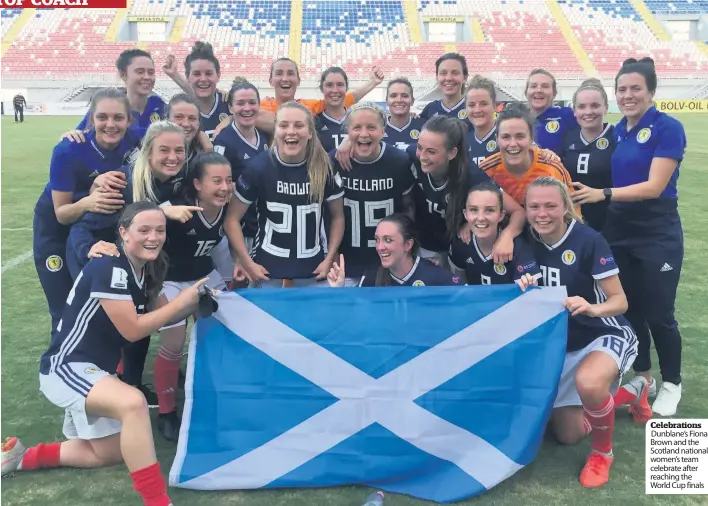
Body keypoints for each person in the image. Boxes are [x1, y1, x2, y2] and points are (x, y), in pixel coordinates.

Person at [1, 201, 210, 506]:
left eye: (160, 230)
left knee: (109, 452)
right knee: (133, 402)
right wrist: (182, 303)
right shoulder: (109, 267)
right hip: (66, 367)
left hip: (96, 370)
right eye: (144, 230)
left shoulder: (147, 270)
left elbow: (165, 318)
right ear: (124, 233)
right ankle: (158, 502)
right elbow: (133, 331)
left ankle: (22, 456)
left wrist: (198, 303)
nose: (153, 237)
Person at [570, 58, 687, 417]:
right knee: (629, 306)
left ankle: (672, 382)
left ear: (651, 91)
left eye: (636, 88)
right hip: (620, 230)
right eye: (622, 89)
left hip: (657, 230)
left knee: (659, 312)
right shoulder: (618, 130)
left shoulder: (668, 127)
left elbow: (654, 187)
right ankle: (643, 377)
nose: (628, 95)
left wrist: (602, 194)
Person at [526, 177, 649, 488]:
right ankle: (632, 392)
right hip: (561, 344)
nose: (542, 213)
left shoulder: (588, 240)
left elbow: (620, 302)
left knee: (589, 382)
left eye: (551, 206)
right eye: (534, 206)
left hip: (602, 332)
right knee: (567, 434)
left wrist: (592, 308)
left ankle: (602, 453)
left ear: (566, 208)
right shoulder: (525, 241)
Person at [33, 88, 138, 339]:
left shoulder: (135, 140)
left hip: (94, 230)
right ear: (91, 119)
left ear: (129, 120)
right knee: (64, 308)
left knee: (100, 304)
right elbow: (62, 213)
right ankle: (58, 369)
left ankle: (99, 368)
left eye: (118, 118)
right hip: (56, 231)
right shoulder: (68, 150)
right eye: (102, 117)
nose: (110, 124)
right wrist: (89, 200)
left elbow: (172, 135)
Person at [153, 152, 231, 441]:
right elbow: (141, 222)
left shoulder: (227, 207)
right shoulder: (175, 209)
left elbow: (221, 247)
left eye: (228, 180)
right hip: (169, 279)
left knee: (220, 334)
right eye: (216, 181)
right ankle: (166, 411)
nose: (224, 187)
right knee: (173, 340)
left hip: (204, 274)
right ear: (197, 184)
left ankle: (211, 399)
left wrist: (229, 279)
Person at [224, 101, 345, 288]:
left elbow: (338, 216)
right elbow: (231, 219)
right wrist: (248, 262)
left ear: (310, 132)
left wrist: (329, 257)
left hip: (314, 269)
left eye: (299, 125)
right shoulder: (259, 167)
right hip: (267, 270)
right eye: (283, 125)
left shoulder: (325, 167)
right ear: (275, 129)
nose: (291, 131)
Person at [410, 115, 526, 266]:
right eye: (420, 147)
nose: (423, 156)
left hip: (458, 251)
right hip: (424, 247)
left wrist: (507, 236)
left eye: (431, 152)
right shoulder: (411, 157)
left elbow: (519, 212)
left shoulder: (472, 177)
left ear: (452, 153)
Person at [331, 102, 415, 284]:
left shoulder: (398, 161)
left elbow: (409, 208)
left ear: (383, 131)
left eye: (371, 127)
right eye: (357, 128)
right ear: (347, 131)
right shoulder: (335, 161)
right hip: (348, 260)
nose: (364, 134)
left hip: (388, 261)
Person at [479, 102, 576, 207]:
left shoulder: (552, 168)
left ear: (531, 138)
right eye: (506, 137)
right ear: (497, 139)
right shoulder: (486, 170)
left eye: (520, 136)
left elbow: (572, 214)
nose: (513, 144)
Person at [327, 213, 462, 287]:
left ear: (408, 245)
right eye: (377, 240)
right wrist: (339, 290)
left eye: (388, 240)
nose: (380, 247)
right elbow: (355, 314)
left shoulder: (436, 276)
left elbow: (468, 300)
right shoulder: (371, 277)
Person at [448, 182, 540, 287]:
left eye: (489, 210)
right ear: (465, 214)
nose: (481, 218)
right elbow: (460, 286)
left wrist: (529, 283)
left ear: (501, 215)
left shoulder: (518, 247)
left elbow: (531, 289)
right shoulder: (460, 244)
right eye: (474, 210)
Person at [64, 50, 166, 142]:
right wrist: (71, 135)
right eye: (140, 72)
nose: (147, 77)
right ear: (123, 75)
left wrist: (175, 75)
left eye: (151, 72)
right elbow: (78, 134)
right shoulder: (106, 107)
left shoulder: (158, 105)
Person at [561, 79, 614, 232]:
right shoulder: (567, 137)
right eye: (582, 107)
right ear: (575, 111)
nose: (588, 112)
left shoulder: (616, 136)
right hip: (573, 221)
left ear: (606, 108)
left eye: (595, 106)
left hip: (610, 222)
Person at [524, 68, 577, 155]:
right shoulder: (517, 119)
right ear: (526, 92)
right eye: (533, 86)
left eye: (545, 86)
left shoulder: (567, 116)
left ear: (554, 93)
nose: (539, 90)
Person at [418, 53, 471, 128]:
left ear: (465, 78)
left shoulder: (473, 108)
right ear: (437, 77)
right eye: (443, 73)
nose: (448, 78)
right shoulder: (429, 110)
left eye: (455, 73)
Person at [465, 75, 499, 170]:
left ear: (494, 105)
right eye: (471, 105)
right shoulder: (462, 142)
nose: (477, 110)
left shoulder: (507, 137)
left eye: (483, 104)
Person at [383, 78, 425, 151]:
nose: (399, 100)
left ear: (412, 101)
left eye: (405, 96)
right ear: (386, 101)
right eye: (393, 95)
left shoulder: (424, 127)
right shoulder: (378, 128)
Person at [314, 67, 350, 152]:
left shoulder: (357, 120)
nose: (335, 90)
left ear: (346, 87)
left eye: (340, 84)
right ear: (322, 89)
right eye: (329, 85)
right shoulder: (314, 123)